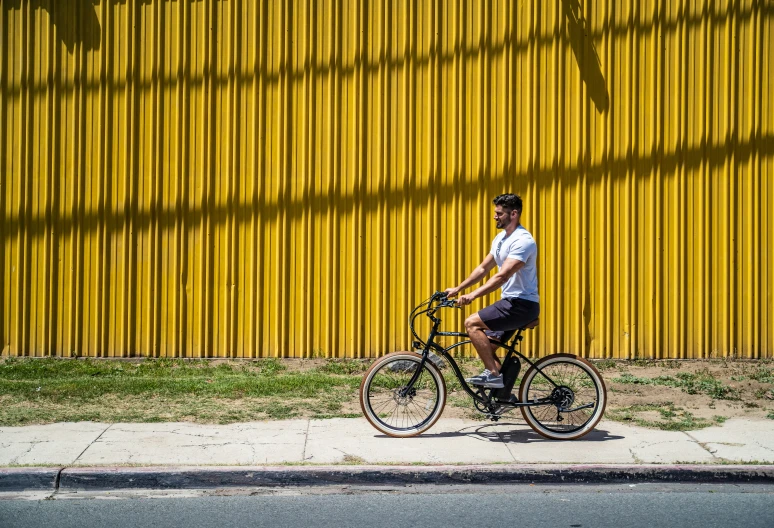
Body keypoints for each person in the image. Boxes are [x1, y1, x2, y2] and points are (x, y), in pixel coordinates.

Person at [444, 193, 540, 388]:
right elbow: (483, 269)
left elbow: (501, 276)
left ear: (513, 214)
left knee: (471, 324)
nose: (495, 216)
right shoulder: (500, 239)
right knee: (487, 346)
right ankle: (502, 396)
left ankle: (494, 375)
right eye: (495, 212)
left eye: (499, 213)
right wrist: (458, 288)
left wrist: (471, 296)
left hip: (521, 304)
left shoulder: (523, 241)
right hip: (510, 303)